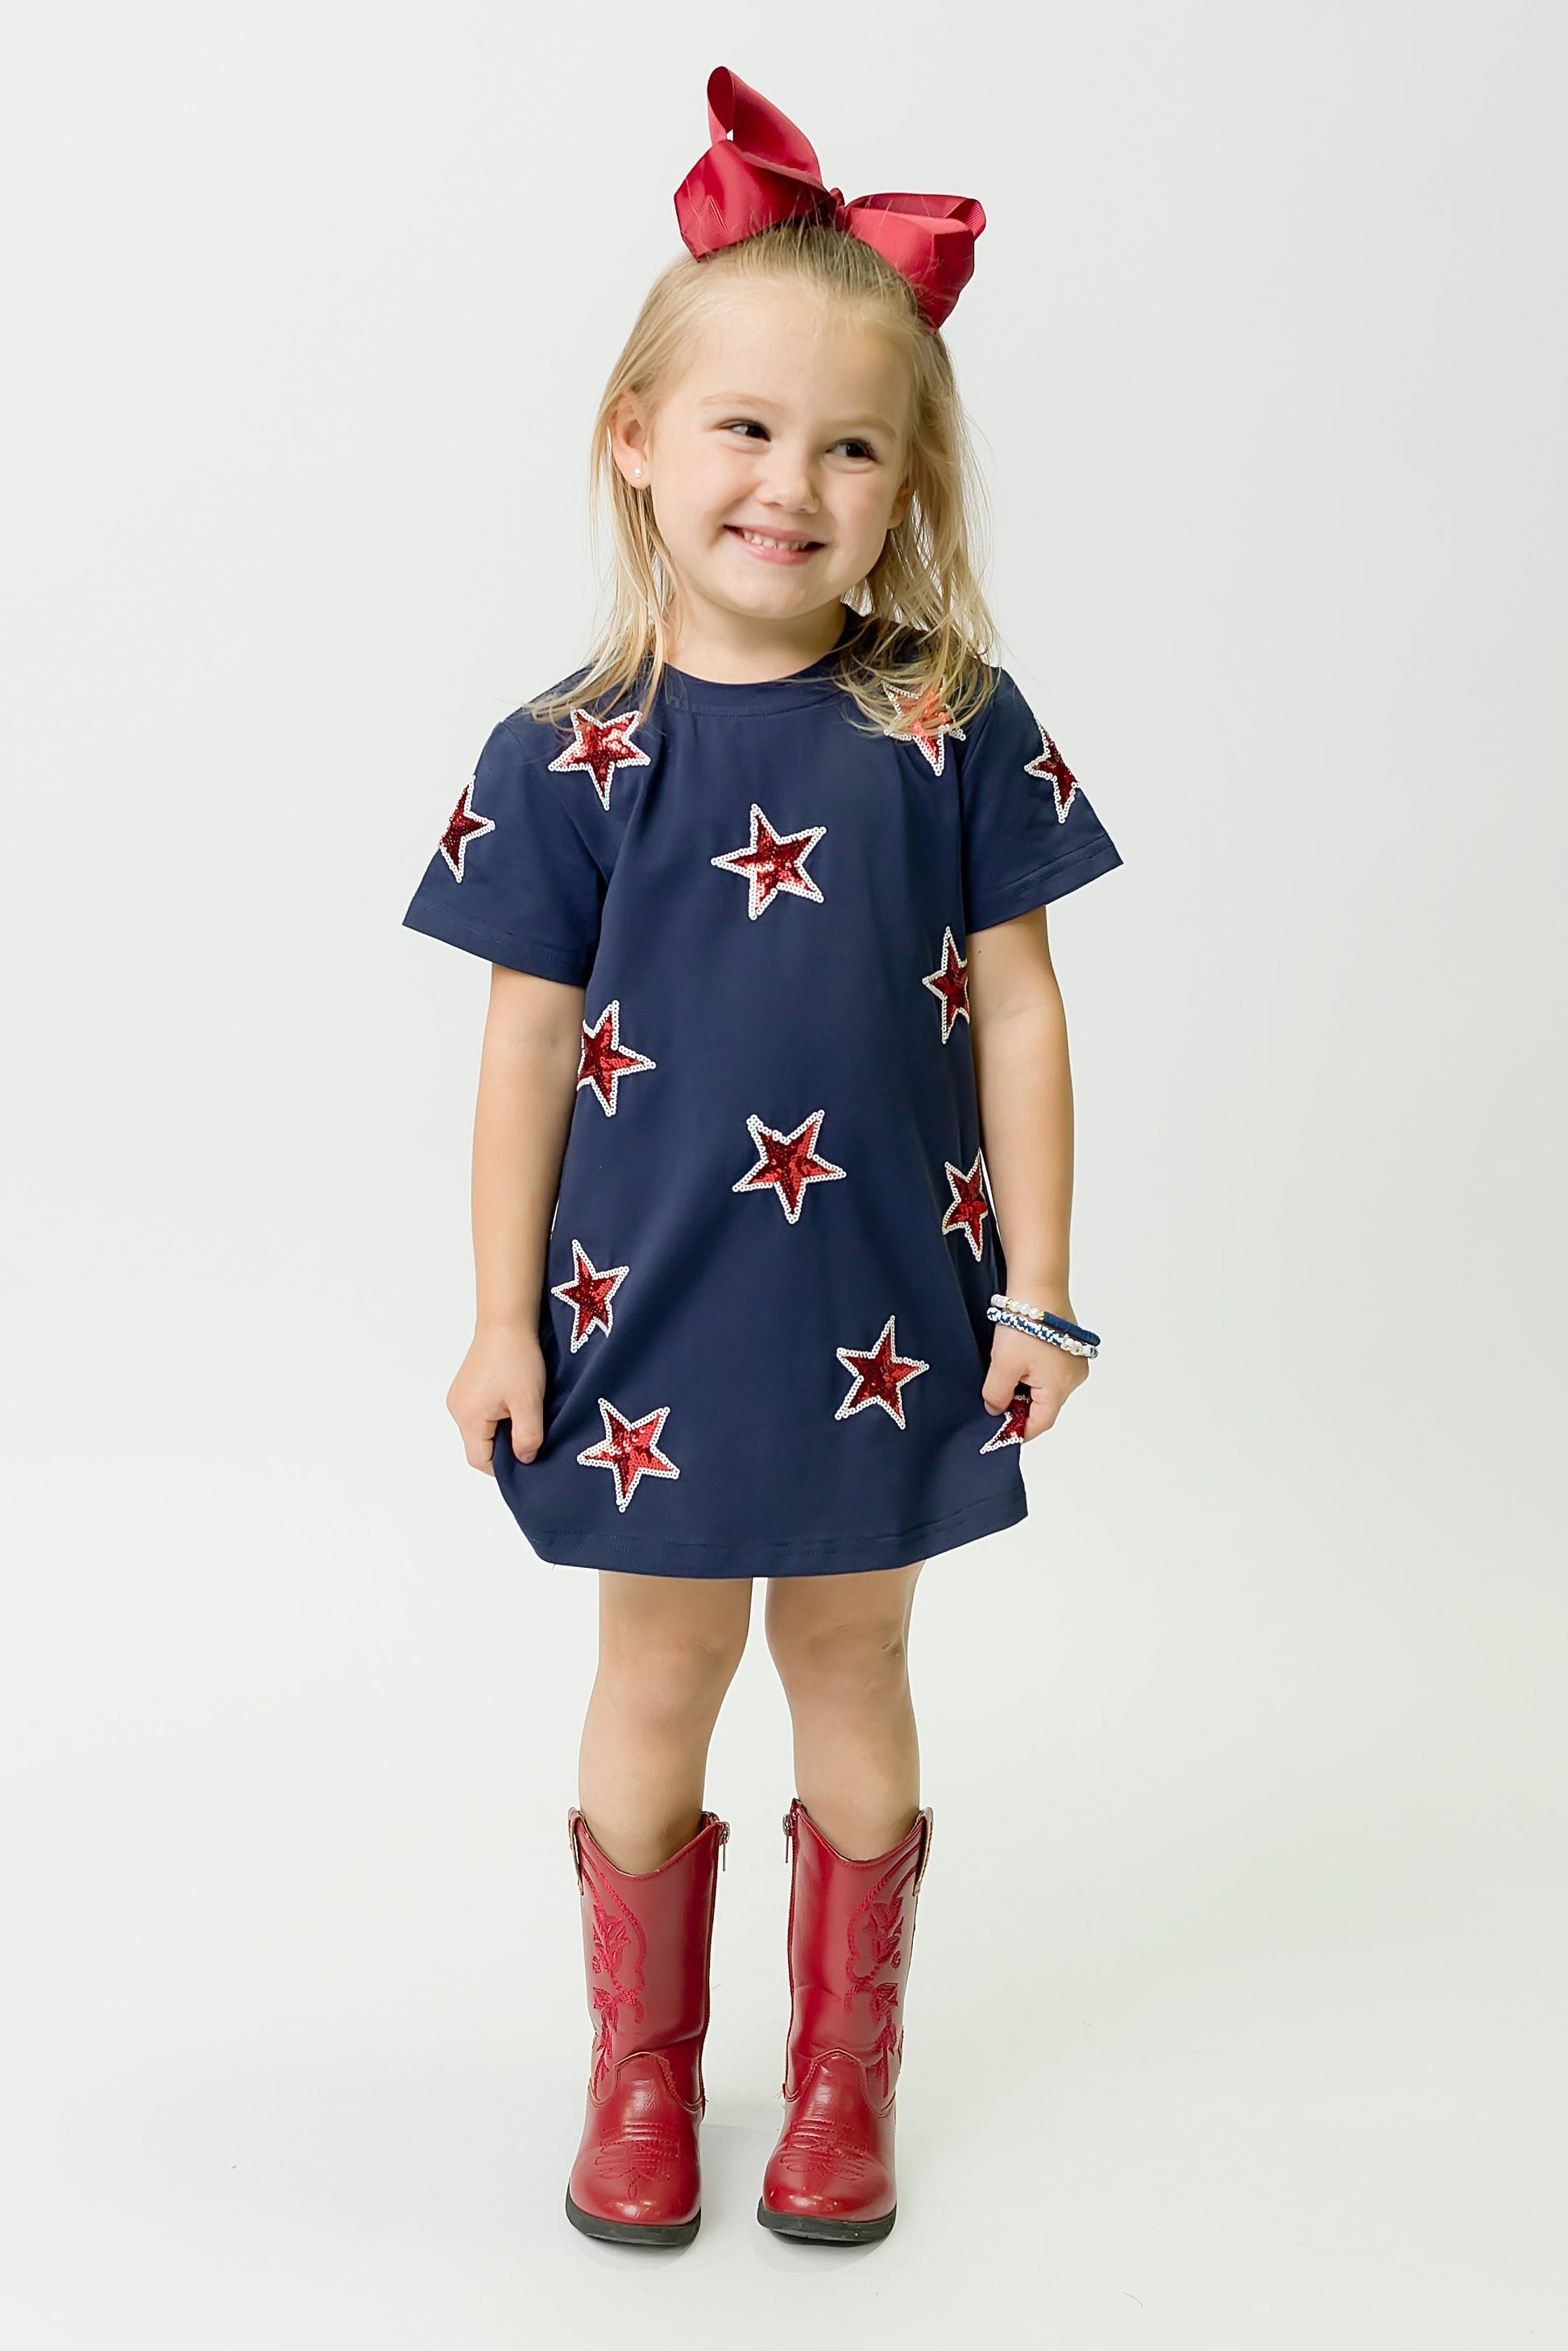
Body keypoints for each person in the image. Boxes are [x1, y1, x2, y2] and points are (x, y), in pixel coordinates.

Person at [400, 65, 1123, 2250]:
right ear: (636, 433)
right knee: (652, 1673)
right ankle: (639, 2084)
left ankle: (838, 2083)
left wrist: (1041, 1294)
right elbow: (522, 1051)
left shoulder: (946, 719)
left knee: (851, 1664)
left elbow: (1019, 1007)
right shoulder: (564, 752)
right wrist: (498, 1322)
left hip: (889, 1311)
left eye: (847, 443)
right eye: (740, 427)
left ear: (903, 484)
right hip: (653, 1320)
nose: (788, 483)